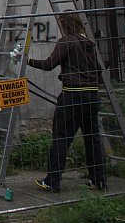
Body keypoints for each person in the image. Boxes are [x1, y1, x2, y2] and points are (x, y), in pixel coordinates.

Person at [26, 11, 107, 193]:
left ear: (65, 25)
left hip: (73, 95)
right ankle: (99, 179)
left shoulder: (66, 42)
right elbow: (99, 69)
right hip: (92, 95)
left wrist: (27, 60)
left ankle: (52, 180)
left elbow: (49, 64)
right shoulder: (89, 44)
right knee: (92, 137)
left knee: (61, 138)